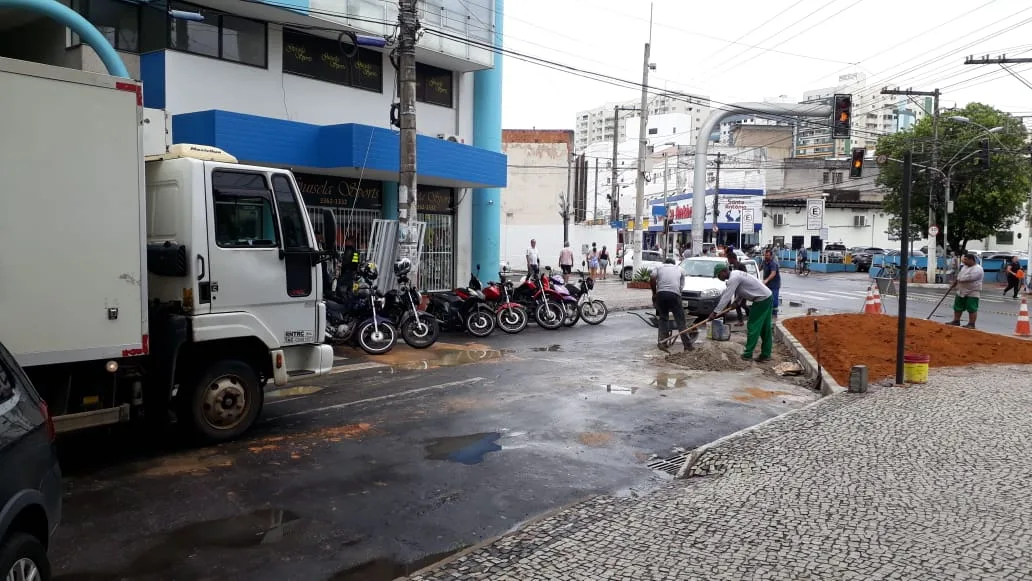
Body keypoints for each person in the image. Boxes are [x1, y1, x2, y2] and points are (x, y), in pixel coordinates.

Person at [710, 263, 774, 361]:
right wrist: (736, 302)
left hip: (761, 300)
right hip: (767, 296)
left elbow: (726, 296)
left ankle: (747, 354)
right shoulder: (736, 274)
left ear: (723, 271)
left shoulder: (733, 278)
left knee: (753, 326)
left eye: (718, 275)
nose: (719, 278)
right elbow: (742, 290)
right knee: (765, 327)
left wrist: (715, 312)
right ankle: (766, 354)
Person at [650, 258, 691, 352]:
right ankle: (688, 345)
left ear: (665, 263)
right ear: (674, 264)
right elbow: (681, 286)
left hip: (661, 294)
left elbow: (652, 278)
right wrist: (677, 295)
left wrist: (654, 293)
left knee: (663, 319)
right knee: (681, 321)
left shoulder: (659, 267)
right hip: (674, 295)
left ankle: (662, 342)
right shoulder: (680, 269)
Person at [949, 252, 984, 329]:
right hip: (961, 290)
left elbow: (968, 278)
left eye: (966, 260)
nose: (964, 261)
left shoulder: (978, 269)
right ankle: (956, 321)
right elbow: (959, 275)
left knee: (972, 308)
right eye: (964, 259)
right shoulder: (964, 267)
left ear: (971, 260)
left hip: (972, 291)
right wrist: (955, 282)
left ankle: (971, 324)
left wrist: (959, 279)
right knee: (957, 307)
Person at [726, 249, 749, 326]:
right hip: (737, 289)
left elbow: (745, 276)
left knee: (742, 304)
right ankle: (741, 320)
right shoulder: (733, 267)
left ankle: (750, 314)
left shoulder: (741, 265)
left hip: (743, 289)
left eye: (728, 259)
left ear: (732, 258)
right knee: (738, 305)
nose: (728, 261)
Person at [762, 249, 781, 319]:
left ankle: (774, 314)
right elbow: (760, 268)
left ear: (770, 256)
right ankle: (768, 313)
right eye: (765, 255)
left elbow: (773, 273)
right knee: (767, 299)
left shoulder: (773, 263)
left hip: (774, 284)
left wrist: (766, 280)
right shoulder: (764, 261)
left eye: (767, 255)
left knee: (774, 300)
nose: (765, 256)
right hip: (767, 284)